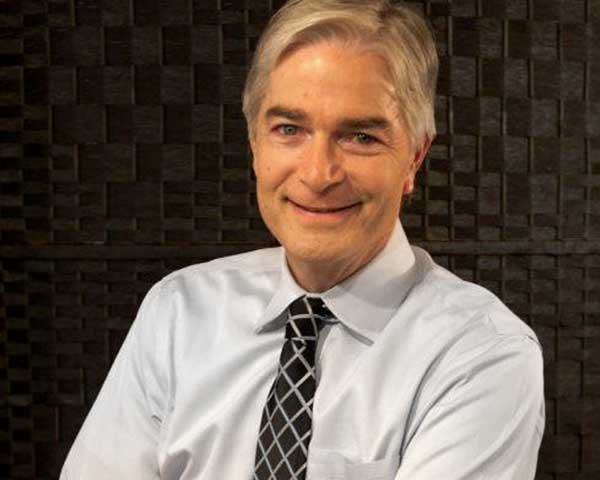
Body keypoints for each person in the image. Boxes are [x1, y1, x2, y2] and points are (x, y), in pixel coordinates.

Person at [60, 1, 545, 479]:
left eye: (360, 136)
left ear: (415, 157)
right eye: (289, 129)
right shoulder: (178, 312)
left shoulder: (482, 355)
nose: (317, 174)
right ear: (254, 144)